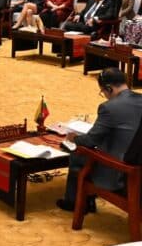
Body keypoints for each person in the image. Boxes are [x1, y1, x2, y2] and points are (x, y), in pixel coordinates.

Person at [57, 68, 142, 211]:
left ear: (109, 88)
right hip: (138, 162)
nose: (104, 96)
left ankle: (75, 202)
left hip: (121, 172)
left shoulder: (109, 107)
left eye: (103, 92)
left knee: (78, 155)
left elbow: (90, 140)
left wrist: (75, 138)